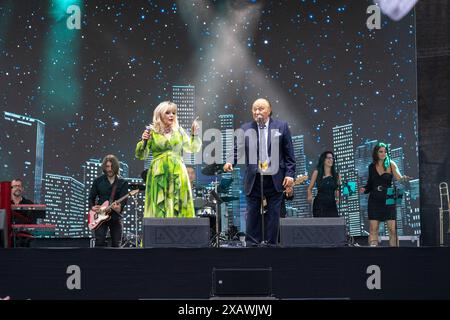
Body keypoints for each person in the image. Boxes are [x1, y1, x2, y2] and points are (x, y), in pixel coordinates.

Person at [224, 98, 296, 245]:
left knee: (274, 214)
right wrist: (230, 161)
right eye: (255, 109)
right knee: (252, 214)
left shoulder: (281, 126)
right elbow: (237, 150)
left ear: (269, 110)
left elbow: (289, 154)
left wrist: (289, 174)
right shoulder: (245, 128)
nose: (257, 112)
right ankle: (252, 245)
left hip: (275, 177)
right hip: (254, 178)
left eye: (261, 108)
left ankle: (271, 245)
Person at [136, 101, 201, 218]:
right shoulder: (152, 132)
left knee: (179, 202)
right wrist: (143, 141)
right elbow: (141, 155)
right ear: (160, 115)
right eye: (168, 113)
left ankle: (181, 233)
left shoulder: (179, 131)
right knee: (159, 204)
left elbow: (192, 148)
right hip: (159, 172)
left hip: (177, 172)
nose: (172, 115)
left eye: (174, 113)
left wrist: (194, 135)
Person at [359, 142, 410, 247]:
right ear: (376, 153)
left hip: (389, 195)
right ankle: (374, 255)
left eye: (385, 151)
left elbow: (399, 178)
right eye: (381, 151)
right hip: (374, 197)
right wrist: (365, 189)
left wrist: (403, 179)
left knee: (392, 229)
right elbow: (370, 184)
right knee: (373, 228)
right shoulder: (371, 166)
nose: (383, 153)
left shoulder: (391, 164)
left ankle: (395, 255)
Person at [88, 154, 129, 247]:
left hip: (115, 216)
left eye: (112, 166)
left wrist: (119, 208)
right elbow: (91, 197)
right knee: (99, 241)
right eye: (107, 166)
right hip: (100, 215)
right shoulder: (98, 181)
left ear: (116, 167)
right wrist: (92, 207)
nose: (110, 169)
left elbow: (124, 200)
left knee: (117, 243)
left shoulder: (123, 182)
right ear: (104, 167)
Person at [307, 151, 341, 218]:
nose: (331, 160)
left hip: (332, 204)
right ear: (323, 160)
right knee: (320, 226)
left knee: (333, 225)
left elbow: (337, 188)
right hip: (319, 204)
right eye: (328, 158)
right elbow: (309, 188)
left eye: (332, 158)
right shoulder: (317, 172)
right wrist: (309, 195)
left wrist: (337, 197)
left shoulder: (337, 175)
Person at [10, 179, 34, 247]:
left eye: (19, 186)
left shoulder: (29, 203)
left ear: (22, 189)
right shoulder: (5, 203)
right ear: (11, 189)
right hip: (7, 238)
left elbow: (31, 222)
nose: (17, 188)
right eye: (15, 186)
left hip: (24, 239)